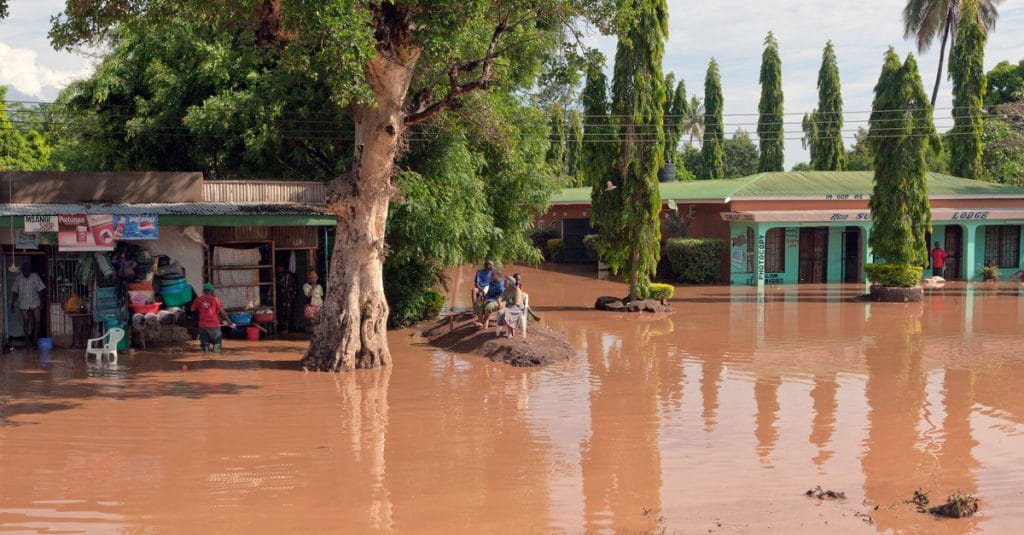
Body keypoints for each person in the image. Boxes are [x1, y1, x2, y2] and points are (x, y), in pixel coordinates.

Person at [190, 283, 235, 352]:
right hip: (214, 327)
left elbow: (192, 309)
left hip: (202, 326)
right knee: (217, 348)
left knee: (205, 349)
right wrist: (229, 322)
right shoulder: (215, 299)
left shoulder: (198, 300)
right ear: (211, 291)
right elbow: (222, 312)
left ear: (204, 291)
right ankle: (216, 360)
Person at [11, 262, 45, 347]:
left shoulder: (35, 277)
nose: (26, 272)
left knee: (37, 320)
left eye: (28, 270)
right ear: (22, 270)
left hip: (35, 301)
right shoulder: (18, 278)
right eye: (25, 270)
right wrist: (12, 304)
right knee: (26, 320)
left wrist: (41, 302)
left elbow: (41, 290)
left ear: (30, 270)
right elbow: (15, 292)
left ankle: (35, 338)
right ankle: (26, 339)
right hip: (23, 302)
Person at [275, 265, 298, 333]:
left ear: (282, 267)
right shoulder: (280, 275)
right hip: (283, 298)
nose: (278, 268)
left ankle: (286, 328)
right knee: (282, 313)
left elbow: (287, 285)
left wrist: (291, 296)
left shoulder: (287, 275)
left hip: (287, 297)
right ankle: (283, 328)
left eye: (279, 267)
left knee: (286, 313)